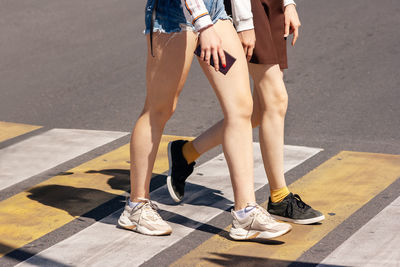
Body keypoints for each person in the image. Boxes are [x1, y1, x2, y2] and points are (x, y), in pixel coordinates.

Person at [118, 0, 292, 240]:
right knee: (160, 108)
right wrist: (202, 25)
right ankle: (136, 207)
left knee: (241, 107)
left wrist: (245, 23)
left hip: (215, 11)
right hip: (175, 14)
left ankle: (245, 213)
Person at [167, 0, 325, 225]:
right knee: (275, 99)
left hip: (271, 5)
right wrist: (244, 23)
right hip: (246, 7)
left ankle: (186, 153)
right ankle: (279, 196)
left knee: (261, 110)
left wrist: (288, 4)